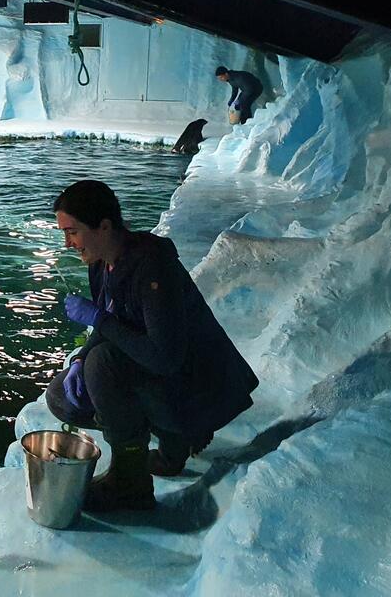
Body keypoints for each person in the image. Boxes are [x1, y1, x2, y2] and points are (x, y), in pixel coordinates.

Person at [45, 180, 258, 512]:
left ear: (103, 226)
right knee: (62, 396)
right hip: (160, 382)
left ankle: (131, 481)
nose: (67, 243)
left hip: (196, 389)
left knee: (102, 364)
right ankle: (171, 438)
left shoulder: (152, 264)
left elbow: (165, 357)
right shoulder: (102, 263)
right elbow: (114, 321)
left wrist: (98, 323)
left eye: (72, 232)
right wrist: (79, 360)